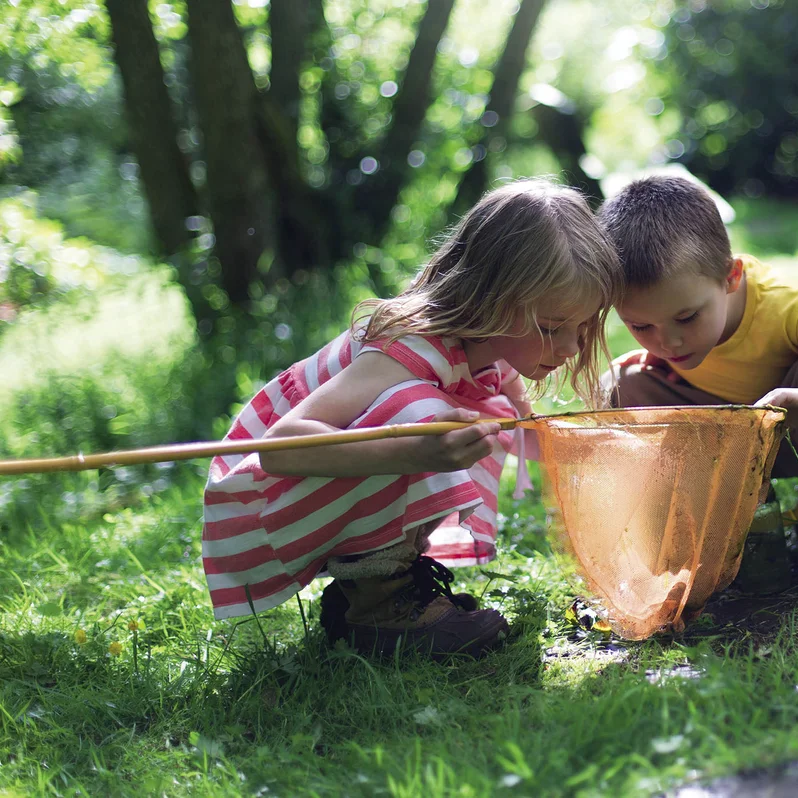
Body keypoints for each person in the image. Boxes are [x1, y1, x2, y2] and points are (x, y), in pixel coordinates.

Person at [202, 180, 621, 658]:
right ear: (492, 297)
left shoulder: (493, 351)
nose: (569, 349)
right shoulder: (408, 351)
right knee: (428, 417)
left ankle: (371, 591)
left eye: (582, 327)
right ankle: (379, 607)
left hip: (312, 494)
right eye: (551, 328)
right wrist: (416, 451)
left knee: (484, 418)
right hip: (258, 502)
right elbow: (281, 448)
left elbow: (529, 437)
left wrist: (598, 450)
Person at [598, 175, 798, 593]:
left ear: (731, 277)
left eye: (687, 318)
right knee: (622, 383)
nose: (668, 341)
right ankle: (724, 514)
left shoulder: (785, 305)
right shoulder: (670, 333)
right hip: (726, 440)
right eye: (641, 325)